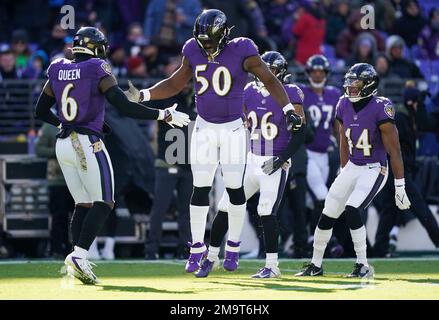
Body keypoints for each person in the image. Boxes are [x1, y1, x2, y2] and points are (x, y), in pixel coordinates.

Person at [125, 9, 304, 273]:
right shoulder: (192, 49)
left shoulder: (243, 48)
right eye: (202, 40)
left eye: (210, 40)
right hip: (205, 127)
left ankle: (232, 246)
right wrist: (144, 95)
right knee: (200, 188)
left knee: (234, 190)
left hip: (233, 129)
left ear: (223, 35)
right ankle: (197, 248)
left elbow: (269, 78)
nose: (206, 45)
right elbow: (176, 83)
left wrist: (288, 109)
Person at [34, 26, 190, 285]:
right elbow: (123, 105)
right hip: (87, 143)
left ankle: (77, 256)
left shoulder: (58, 67)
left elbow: (40, 111)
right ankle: (80, 256)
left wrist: (64, 124)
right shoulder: (97, 67)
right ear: (97, 48)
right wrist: (164, 114)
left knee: (83, 204)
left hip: (64, 143)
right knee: (105, 202)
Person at [194, 51, 305, 278]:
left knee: (266, 210)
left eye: (272, 71)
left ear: (281, 73)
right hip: (252, 157)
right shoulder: (248, 91)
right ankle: (212, 257)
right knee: (225, 206)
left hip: (274, 159)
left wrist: (283, 158)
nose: (266, 75)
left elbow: (303, 132)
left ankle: (272, 265)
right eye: (264, 69)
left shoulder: (291, 92)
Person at [296, 63, 411, 278]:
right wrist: (343, 169)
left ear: (368, 84)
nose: (351, 86)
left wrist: (400, 186)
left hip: (374, 168)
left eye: (356, 82)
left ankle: (363, 265)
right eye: (349, 81)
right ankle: (315, 264)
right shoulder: (343, 104)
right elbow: (342, 141)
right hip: (352, 166)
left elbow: (394, 151)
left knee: (351, 209)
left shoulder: (381, 106)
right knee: (327, 214)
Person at [374, 85, 439, 257]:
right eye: (418, 102)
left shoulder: (405, 117)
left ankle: (379, 249)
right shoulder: (402, 119)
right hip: (398, 171)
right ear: (413, 103)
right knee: (419, 205)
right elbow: (398, 149)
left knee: (389, 209)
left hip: (393, 170)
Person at [299, 55, 341, 235]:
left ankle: (308, 237)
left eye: (320, 72)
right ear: (309, 73)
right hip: (307, 153)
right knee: (322, 195)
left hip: (325, 154)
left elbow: (337, 126)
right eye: (314, 72)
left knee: (313, 200)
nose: (317, 75)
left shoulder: (334, 94)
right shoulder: (301, 93)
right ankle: (322, 239)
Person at [35, 123, 75, 259]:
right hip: (57, 180)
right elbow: (39, 149)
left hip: (77, 180)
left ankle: (75, 250)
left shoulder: (80, 124)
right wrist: (59, 150)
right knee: (59, 216)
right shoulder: (49, 127)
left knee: (77, 217)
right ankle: (57, 249)